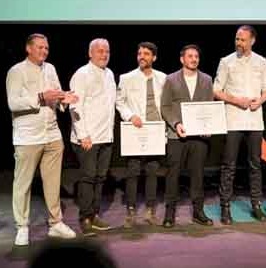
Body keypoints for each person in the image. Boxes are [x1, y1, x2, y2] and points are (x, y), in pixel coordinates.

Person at [6, 33, 77, 246]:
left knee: (53, 182)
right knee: (23, 184)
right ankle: (22, 226)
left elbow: (55, 95)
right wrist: (40, 97)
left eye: (46, 48)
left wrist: (65, 98)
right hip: (28, 136)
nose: (44, 51)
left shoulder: (51, 68)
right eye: (39, 47)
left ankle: (56, 223)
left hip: (52, 134)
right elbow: (13, 103)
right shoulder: (16, 71)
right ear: (28, 48)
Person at [213, 25, 266, 225]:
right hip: (233, 118)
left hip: (255, 119)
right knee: (229, 165)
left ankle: (256, 205)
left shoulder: (261, 61)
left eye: (243, 39)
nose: (239, 43)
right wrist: (236, 100)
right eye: (237, 39)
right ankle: (225, 207)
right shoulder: (226, 61)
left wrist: (259, 101)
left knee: (255, 164)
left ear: (252, 41)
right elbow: (216, 90)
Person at [160, 44, 214, 228]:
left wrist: (208, 126)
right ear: (182, 59)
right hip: (177, 135)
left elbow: (208, 107)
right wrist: (176, 124)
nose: (194, 59)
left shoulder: (206, 80)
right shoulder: (171, 79)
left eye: (196, 57)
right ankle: (169, 213)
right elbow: (165, 107)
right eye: (190, 56)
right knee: (173, 174)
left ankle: (198, 212)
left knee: (198, 175)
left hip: (199, 137)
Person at [116, 42, 166, 227]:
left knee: (152, 170)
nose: (142, 56)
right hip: (135, 129)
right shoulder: (127, 78)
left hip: (155, 131)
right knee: (133, 170)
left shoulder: (162, 78)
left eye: (146, 54)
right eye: (139, 53)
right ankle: (130, 211)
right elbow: (119, 102)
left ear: (154, 57)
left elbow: (166, 104)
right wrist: (130, 116)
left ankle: (150, 210)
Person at [69, 38, 116, 235]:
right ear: (90, 54)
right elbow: (74, 106)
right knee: (88, 178)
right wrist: (83, 135)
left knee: (100, 177)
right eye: (99, 51)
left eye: (107, 51)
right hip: (87, 138)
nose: (104, 54)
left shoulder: (109, 74)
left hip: (105, 136)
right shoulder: (82, 74)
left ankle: (94, 214)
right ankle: (85, 217)